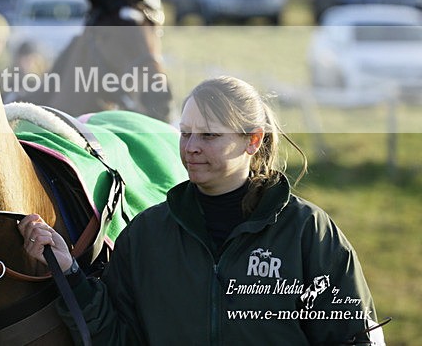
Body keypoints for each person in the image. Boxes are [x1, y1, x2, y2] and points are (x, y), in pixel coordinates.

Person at [19, 75, 385, 345]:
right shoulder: (146, 235)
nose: (191, 147)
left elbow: (355, 338)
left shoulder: (308, 233)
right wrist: (69, 272)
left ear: (251, 141)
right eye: (185, 133)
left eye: (209, 135)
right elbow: (117, 337)